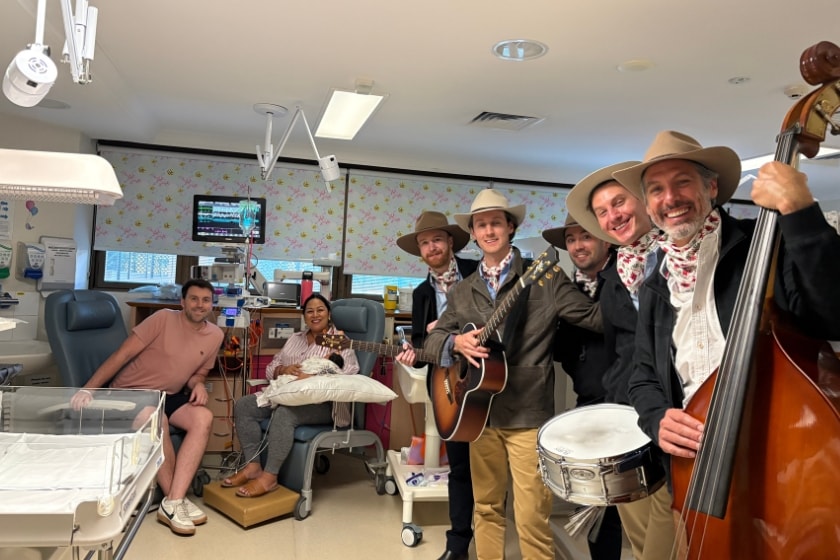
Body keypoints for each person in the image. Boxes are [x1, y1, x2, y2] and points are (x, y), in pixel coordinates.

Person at [613, 130, 840, 482]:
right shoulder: (655, 282)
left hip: (785, 451)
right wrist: (656, 417)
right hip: (699, 460)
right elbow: (643, 376)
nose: (670, 198)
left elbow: (833, 316)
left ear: (712, 188)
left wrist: (800, 213)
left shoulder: (766, 244)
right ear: (648, 204)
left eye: (682, 182)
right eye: (656, 189)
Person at [423, 189, 602, 560]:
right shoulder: (462, 290)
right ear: (473, 233)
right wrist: (455, 342)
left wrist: (626, 283)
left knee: (532, 514)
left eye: (496, 223)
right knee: (486, 508)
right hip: (478, 415)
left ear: (511, 227)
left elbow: (593, 317)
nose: (489, 230)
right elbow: (435, 340)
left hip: (528, 416)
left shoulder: (545, 276)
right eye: (481, 224)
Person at [565, 162, 676, 560]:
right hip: (629, 423)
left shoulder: (680, 258)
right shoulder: (614, 278)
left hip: (677, 420)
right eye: (603, 212)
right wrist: (610, 417)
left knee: (665, 540)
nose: (613, 216)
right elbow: (619, 355)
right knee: (639, 533)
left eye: (619, 203)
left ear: (644, 200)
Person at [70, 278, 224, 536]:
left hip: (169, 395)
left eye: (206, 300)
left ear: (212, 304)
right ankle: (176, 502)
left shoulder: (215, 335)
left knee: (203, 418)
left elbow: (199, 373)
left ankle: (173, 500)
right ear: (182, 302)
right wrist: (89, 388)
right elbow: (123, 354)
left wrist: (197, 384)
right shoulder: (162, 319)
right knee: (156, 418)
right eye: (194, 299)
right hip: (131, 393)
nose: (200, 305)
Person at [394, 210, 478, 560]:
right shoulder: (421, 293)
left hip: (486, 378)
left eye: (437, 240)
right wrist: (417, 349)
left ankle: (490, 540)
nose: (431, 247)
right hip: (448, 386)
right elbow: (420, 343)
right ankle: (457, 545)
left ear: (450, 242)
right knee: (459, 466)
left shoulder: (478, 274)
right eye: (424, 243)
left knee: (488, 465)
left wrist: (448, 336)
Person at [542, 214, 624, 560]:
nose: (578, 246)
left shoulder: (624, 279)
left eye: (586, 237)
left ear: (606, 240)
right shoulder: (565, 290)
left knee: (630, 504)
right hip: (587, 403)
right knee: (595, 500)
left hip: (627, 406)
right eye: (572, 239)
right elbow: (561, 350)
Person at [222, 293, 359, 498]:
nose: (315, 315)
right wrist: (283, 370)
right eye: (309, 311)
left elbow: (350, 373)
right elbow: (272, 367)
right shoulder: (295, 339)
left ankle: (269, 477)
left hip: (322, 405)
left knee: (285, 414)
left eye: (320, 310)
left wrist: (314, 375)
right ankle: (253, 466)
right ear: (304, 316)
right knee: (244, 405)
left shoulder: (339, 341)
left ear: (329, 314)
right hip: (284, 394)